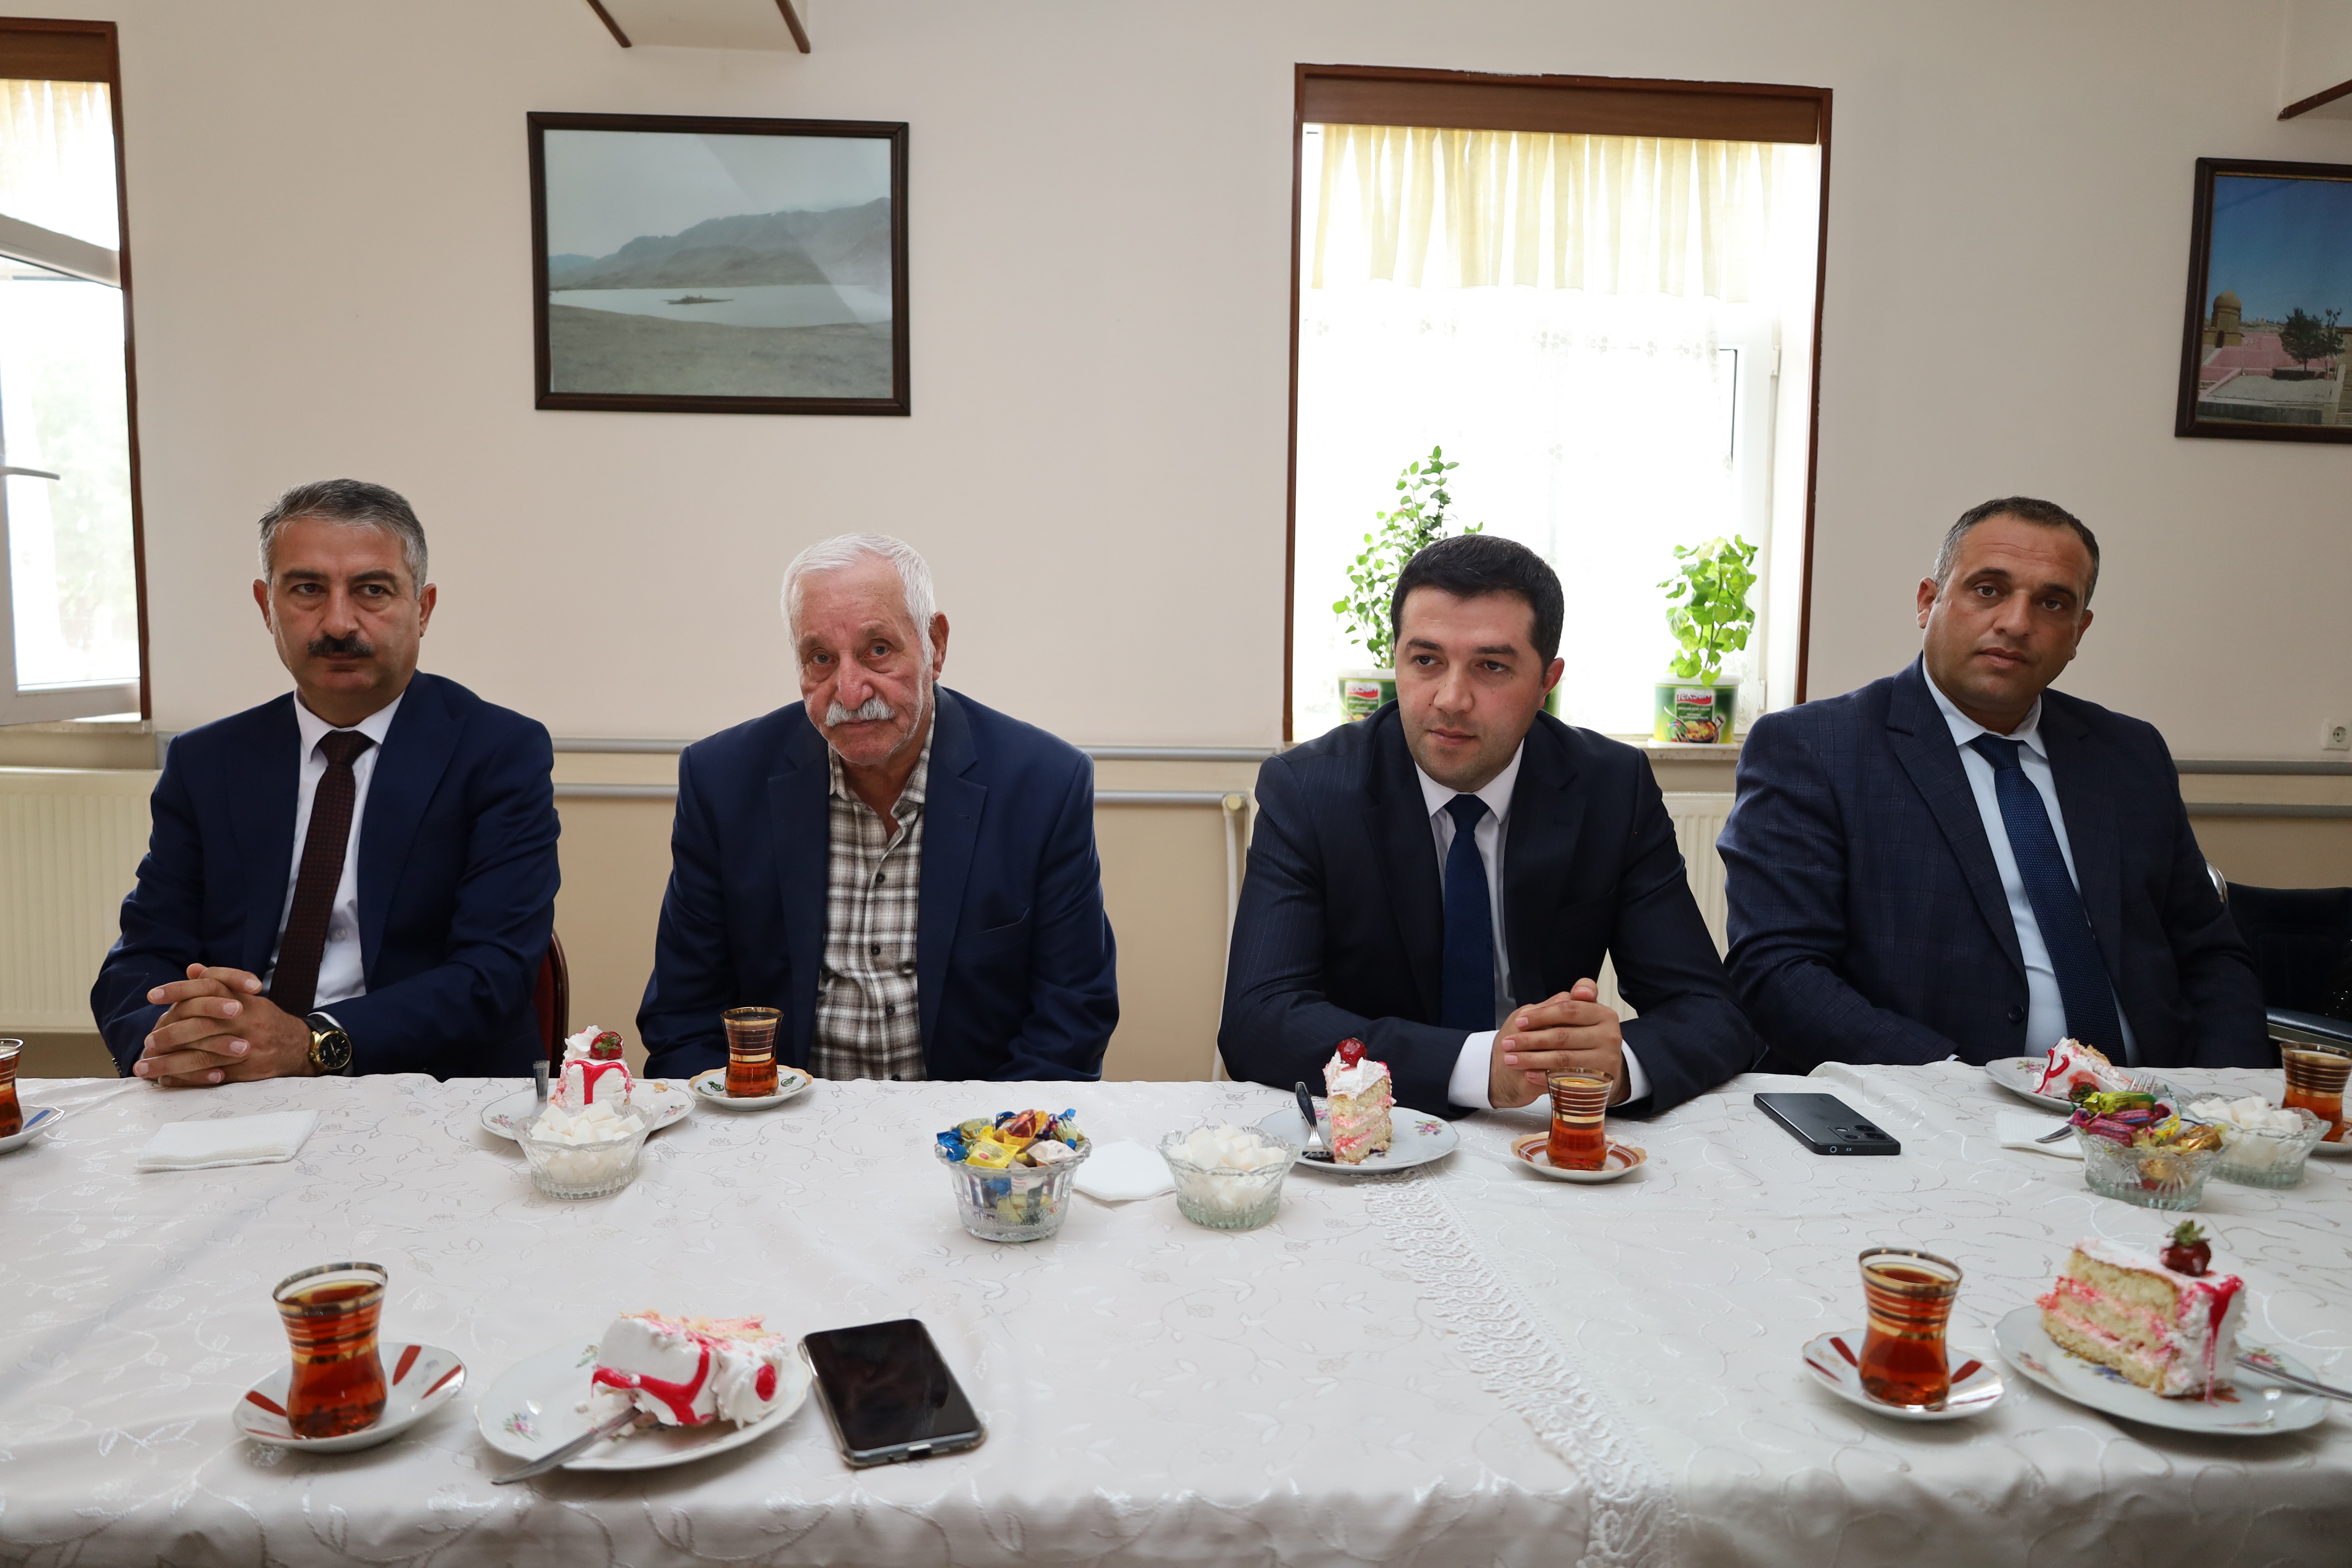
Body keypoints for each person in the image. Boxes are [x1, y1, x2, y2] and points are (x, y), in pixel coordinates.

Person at [1718, 496, 2266, 1070]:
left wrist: (2226, 1091)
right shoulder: (1816, 749)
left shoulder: (2130, 753)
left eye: (2052, 603)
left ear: (2078, 632)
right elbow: (1779, 971)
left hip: (2151, 1099)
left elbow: (2211, 956)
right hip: (1931, 1097)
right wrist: (1954, 1090)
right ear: (1929, 602)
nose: (2017, 623)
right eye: (1988, 590)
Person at [1219, 534, 1757, 1118]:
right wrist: (1480, 1069)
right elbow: (1257, 1021)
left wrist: (1619, 1063)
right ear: (1396, 659)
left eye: (1492, 667)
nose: (1451, 699)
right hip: (1377, 1126)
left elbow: (1712, 1013)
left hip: (1543, 1123)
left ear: (1547, 681)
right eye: (1426, 661)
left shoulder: (1610, 787)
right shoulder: (1310, 790)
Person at [91, 480, 560, 1083]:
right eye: (308, 589)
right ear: (266, 605)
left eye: (373, 590)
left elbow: (493, 973)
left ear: (423, 608)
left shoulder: (499, 752)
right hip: (229, 1082)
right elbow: (143, 956)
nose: (339, 623)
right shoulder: (207, 761)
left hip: (424, 1083)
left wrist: (309, 1043)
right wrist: (172, 1042)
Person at [638, 533, 1117, 1081]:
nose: (849, 691)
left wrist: (987, 1135)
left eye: (878, 650)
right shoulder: (723, 782)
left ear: (935, 646)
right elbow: (683, 1018)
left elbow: (1071, 1019)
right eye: (821, 659)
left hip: (971, 1122)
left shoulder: (1044, 785)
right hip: (779, 1118)